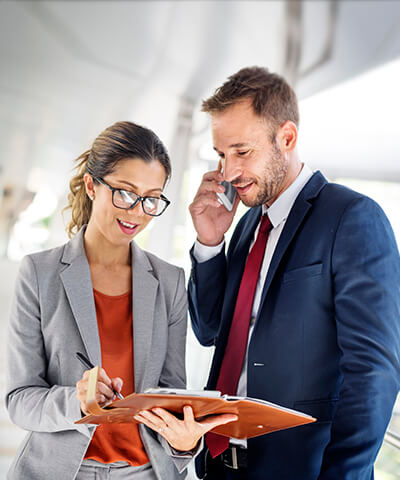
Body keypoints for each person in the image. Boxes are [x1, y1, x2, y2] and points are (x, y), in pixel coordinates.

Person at [188, 67, 400, 479]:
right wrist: (211, 243)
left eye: (241, 152)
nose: (228, 172)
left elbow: (373, 372)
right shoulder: (247, 224)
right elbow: (210, 330)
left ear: (286, 138)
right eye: (221, 154)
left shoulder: (353, 218)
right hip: (220, 466)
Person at [6, 121, 236, 480]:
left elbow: (170, 398)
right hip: (62, 471)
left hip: (145, 472)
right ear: (91, 185)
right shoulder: (39, 273)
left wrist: (185, 443)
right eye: (125, 193)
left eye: (151, 198)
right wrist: (78, 401)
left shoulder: (170, 282)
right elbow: (19, 400)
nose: (137, 211)